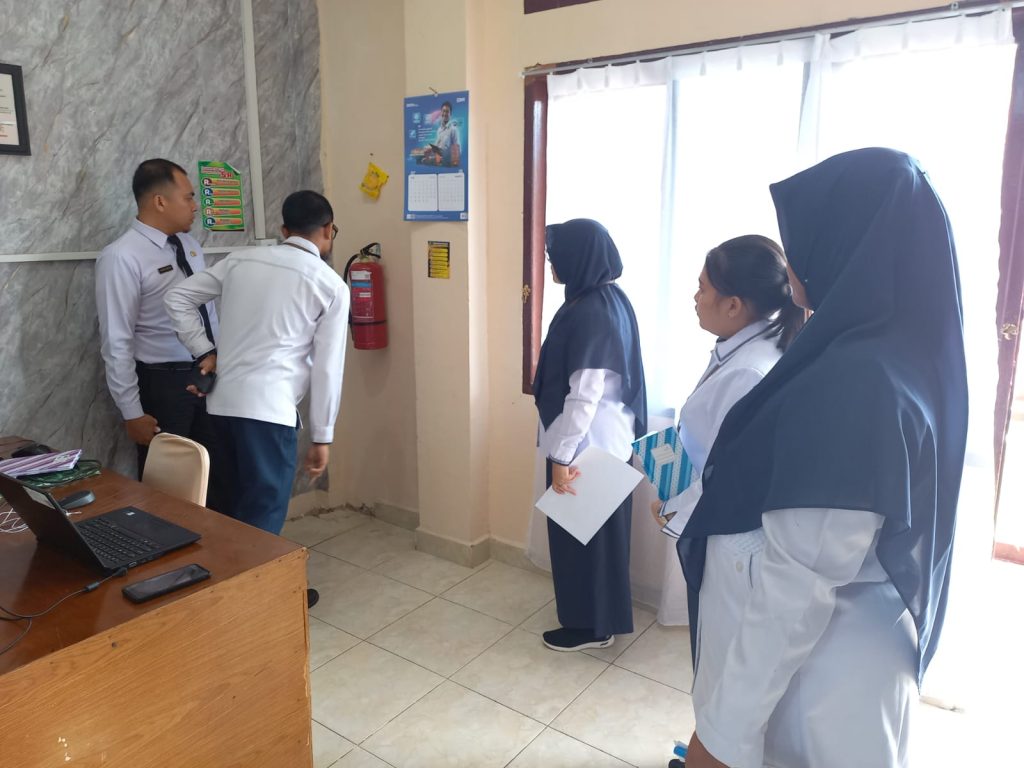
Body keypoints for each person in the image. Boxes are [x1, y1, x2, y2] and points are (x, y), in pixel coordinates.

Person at [677, 148, 968, 768]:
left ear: (847, 242)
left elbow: (800, 579)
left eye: (802, 240)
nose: (791, 263)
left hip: (816, 683)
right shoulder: (894, 352)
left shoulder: (856, 382)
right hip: (842, 661)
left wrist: (721, 737)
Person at [165, 190, 349, 609]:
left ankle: (226, 596)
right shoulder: (330, 286)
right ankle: (254, 610)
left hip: (220, 406)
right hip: (269, 414)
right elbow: (327, 369)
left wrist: (204, 350)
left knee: (227, 510)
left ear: (284, 230)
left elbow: (177, 297)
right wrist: (322, 436)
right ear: (327, 230)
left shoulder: (241, 261)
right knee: (263, 517)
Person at [649, 236, 803, 625]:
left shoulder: (748, 372)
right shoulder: (747, 347)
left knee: (720, 643)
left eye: (702, 288)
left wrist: (672, 509)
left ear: (733, 305)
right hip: (717, 518)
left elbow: (728, 472)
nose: (695, 297)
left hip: (729, 534)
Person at [533, 218, 647, 651]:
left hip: (587, 446)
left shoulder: (591, 312)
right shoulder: (608, 299)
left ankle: (591, 629)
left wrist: (561, 458)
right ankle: (598, 621)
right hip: (607, 441)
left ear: (578, 258)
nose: (551, 264)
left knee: (582, 541)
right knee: (599, 540)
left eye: (555, 257)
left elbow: (584, 395)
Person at [95, 158, 222, 503]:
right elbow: (117, 340)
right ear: (160, 201)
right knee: (169, 489)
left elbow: (208, 311)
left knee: (213, 477)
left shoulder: (190, 246)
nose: (195, 206)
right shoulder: (121, 257)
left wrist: (218, 358)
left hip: (207, 375)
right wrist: (132, 412)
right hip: (164, 385)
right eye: (189, 197)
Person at [421, 100, 460, 166]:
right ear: (441, 112)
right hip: (439, 160)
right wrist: (429, 148)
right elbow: (437, 147)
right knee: (423, 160)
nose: (445, 113)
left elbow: (457, 149)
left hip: (448, 163)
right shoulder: (439, 130)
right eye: (443, 111)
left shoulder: (453, 129)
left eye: (447, 111)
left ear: (450, 114)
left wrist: (453, 164)